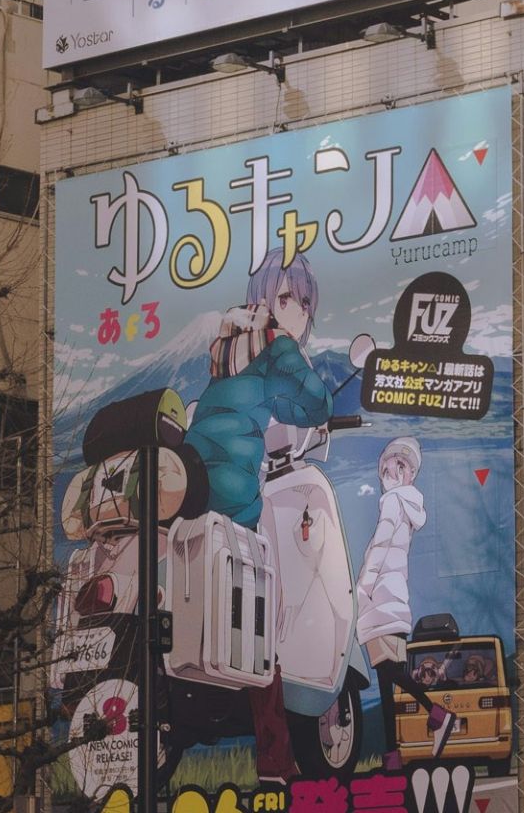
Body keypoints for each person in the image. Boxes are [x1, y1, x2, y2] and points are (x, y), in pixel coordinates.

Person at [182, 251, 333, 782]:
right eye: (287, 297)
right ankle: (274, 761)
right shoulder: (278, 344)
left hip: (190, 482)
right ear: (267, 298)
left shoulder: (230, 343)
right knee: (265, 615)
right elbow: (312, 405)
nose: (296, 310)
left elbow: (266, 403)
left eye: (304, 302)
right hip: (233, 489)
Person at [354, 437, 458, 765]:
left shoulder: (392, 502)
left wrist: (361, 591)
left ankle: (437, 713)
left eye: (398, 466)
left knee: (392, 675)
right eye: (386, 465)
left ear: (408, 473)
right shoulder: (408, 506)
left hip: (379, 602)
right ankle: (392, 756)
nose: (389, 471)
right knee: (388, 681)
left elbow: (380, 549)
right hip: (395, 601)